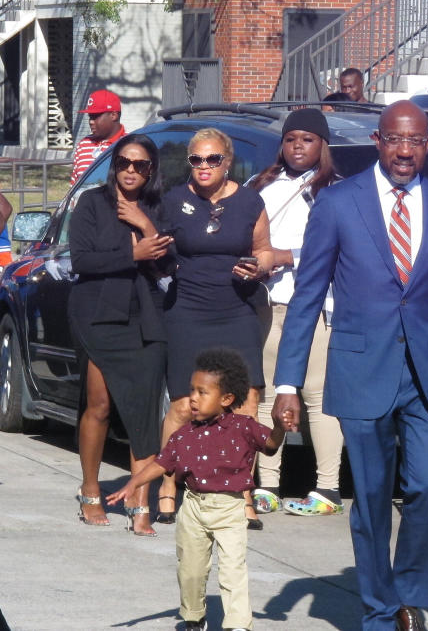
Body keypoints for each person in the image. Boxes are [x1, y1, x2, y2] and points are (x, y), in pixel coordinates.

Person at [271, 100, 428, 631]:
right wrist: (287, 382)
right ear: (378, 140)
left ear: (427, 145)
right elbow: (307, 295)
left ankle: (410, 594)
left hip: (427, 375)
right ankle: (380, 612)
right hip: (362, 369)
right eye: (395, 140)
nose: (405, 150)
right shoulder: (339, 203)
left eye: (415, 141)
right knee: (368, 497)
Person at [106, 348, 290, 631]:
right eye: (192, 390)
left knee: (233, 570)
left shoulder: (244, 427)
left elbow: (271, 445)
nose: (193, 397)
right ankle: (194, 617)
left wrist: (279, 427)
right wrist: (134, 482)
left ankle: (237, 624)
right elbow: (161, 463)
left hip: (230, 508)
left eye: (203, 392)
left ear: (226, 399)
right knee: (190, 571)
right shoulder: (183, 435)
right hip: (192, 507)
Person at [157, 128, 275, 528]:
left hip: (237, 309)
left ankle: (242, 494)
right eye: (196, 160)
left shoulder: (249, 202)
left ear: (228, 162)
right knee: (183, 404)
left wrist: (258, 266)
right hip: (187, 309)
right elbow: (159, 250)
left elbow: (264, 250)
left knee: (245, 405)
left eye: (213, 160)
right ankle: (168, 488)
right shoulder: (174, 201)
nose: (204, 167)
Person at [69, 134, 173, 535]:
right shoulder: (92, 203)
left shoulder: (160, 208)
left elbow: (170, 262)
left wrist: (145, 225)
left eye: (140, 165)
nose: (131, 170)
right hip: (97, 312)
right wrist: (132, 254)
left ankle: (138, 498)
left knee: (143, 412)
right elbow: (82, 260)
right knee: (99, 404)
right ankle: (91, 487)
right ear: (115, 165)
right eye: (125, 162)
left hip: (146, 316)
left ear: (151, 170)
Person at [247, 108, 345, 516]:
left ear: (322, 145)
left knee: (317, 395)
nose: (298, 146)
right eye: (290, 139)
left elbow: (341, 251)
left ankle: (328, 489)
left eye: (307, 139)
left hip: (317, 305)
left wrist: (283, 256)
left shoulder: (337, 191)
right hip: (269, 303)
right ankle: (268, 483)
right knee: (270, 392)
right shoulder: (260, 186)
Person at [70, 89, 125, 186]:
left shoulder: (130, 144)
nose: (91, 121)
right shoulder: (84, 144)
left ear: (113, 115)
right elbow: (74, 186)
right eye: (90, 117)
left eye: (95, 116)